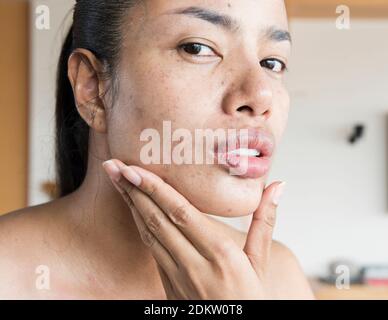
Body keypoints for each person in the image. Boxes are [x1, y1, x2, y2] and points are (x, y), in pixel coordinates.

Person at [0, 0, 314, 299]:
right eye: (198, 48)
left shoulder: (281, 278)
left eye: (272, 62)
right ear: (93, 88)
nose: (261, 96)